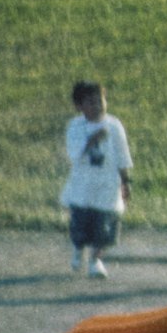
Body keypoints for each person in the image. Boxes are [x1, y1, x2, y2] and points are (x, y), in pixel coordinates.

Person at [59, 72, 132, 281]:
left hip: (108, 185)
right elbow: (74, 154)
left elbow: (122, 154)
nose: (98, 105)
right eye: (91, 102)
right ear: (79, 106)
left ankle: (95, 261)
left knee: (105, 225)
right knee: (81, 226)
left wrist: (126, 181)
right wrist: (92, 139)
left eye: (100, 100)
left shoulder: (114, 125)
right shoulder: (75, 126)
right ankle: (78, 248)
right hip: (83, 186)